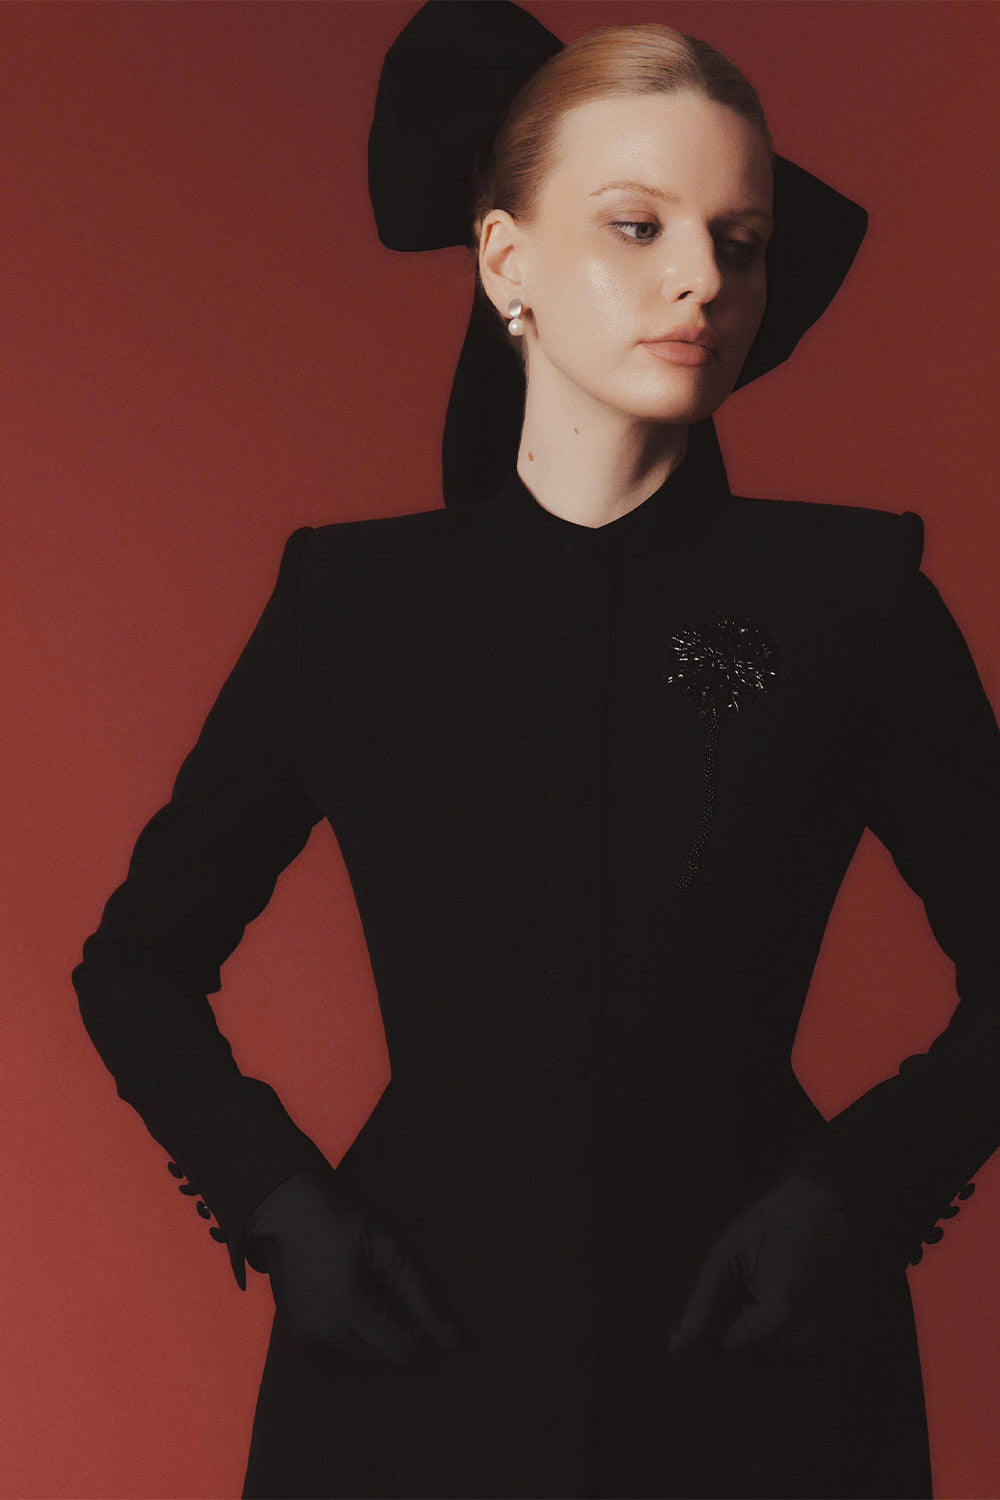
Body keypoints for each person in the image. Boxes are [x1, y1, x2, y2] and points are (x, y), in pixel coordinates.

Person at [71, 3, 1000, 1497]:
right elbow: (136, 966)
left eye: (741, 241)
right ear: (504, 261)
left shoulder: (854, 598)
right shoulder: (352, 605)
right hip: (407, 1364)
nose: (702, 277)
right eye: (639, 226)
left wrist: (853, 1198)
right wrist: (283, 1211)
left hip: (765, 1370)